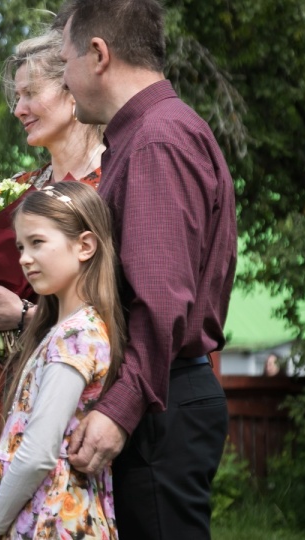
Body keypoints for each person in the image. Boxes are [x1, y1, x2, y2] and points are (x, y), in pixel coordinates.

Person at [58, 0, 237, 538]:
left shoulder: (157, 140)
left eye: (64, 62)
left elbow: (159, 301)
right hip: (159, 393)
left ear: (98, 54)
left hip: (157, 400)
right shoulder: (150, 134)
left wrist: (120, 408)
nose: (65, 82)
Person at [0, 28, 104, 539]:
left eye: (31, 93)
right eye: (16, 95)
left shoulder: (110, 186)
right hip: (2, 396)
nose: (19, 107)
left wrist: (24, 316)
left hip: (70, 402)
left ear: (73, 90)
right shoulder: (22, 189)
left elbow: (118, 309)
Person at [0, 181, 123, 540]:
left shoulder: (77, 334)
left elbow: (37, 452)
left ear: (84, 246)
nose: (23, 257)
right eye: (21, 246)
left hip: (54, 522)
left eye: (37, 243)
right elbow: (17, 437)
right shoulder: (59, 330)